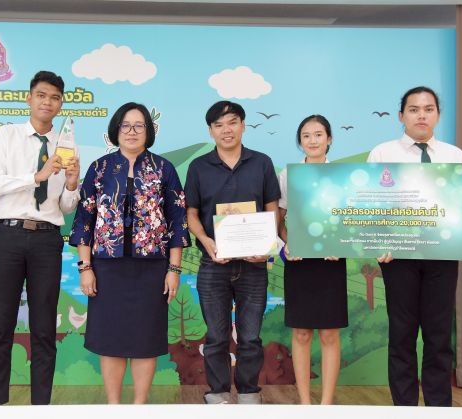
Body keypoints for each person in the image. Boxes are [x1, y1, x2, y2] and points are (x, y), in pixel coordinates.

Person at [367, 86, 462, 406]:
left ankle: (439, 408)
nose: (421, 115)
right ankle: (405, 408)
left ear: (438, 115)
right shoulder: (382, 154)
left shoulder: (454, 156)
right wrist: (377, 243)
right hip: (397, 257)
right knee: (402, 335)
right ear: (401, 116)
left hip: (443, 256)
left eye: (428, 109)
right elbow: (369, 206)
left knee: (439, 336)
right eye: (414, 109)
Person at [69, 102, 190, 404]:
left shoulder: (164, 169)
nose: (132, 131)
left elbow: (177, 221)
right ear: (116, 130)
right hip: (106, 269)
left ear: (149, 131)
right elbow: (84, 220)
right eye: (125, 125)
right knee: (110, 338)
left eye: (139, 125)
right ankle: (114, 405)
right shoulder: (100, 168)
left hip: (152, 269)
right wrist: (85, 267)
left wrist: (174, 270)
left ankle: (139, 405)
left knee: (145, 339)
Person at [0, 70, 80, 405]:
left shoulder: (66, 145)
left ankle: (41, 406)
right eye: (41, 95)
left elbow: (65, 207)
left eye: (54, 97)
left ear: (60, 104)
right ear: (29, 98)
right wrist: (36, 176)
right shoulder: (6, 134)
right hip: (7, 236)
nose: (47, 102)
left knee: (43, 328)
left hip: (47, 240)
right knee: (0, 325)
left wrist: (72, 184)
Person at [184, 101, 280, 404]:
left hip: (254, 266)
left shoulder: (262, 163)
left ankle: (249, 392)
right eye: (219, 125)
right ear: (211, 130)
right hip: (214, 264)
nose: (226, 130)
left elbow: (272, 208)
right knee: (216, 336)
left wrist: (267, 247)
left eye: (232, 122)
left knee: (250, 337)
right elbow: (191, 214)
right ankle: (218, 392)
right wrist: (206, 241)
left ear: (243, 125)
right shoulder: (199, 167)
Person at [278, 115, 347, 405]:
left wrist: (341, 244)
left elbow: (351, 219)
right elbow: (279, 219)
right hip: (299, 262)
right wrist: (287, 244)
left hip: (332, 261)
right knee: (302, 332)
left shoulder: (342, 176)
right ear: (300, 141)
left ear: (329, 139)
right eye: (306, 136)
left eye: (319, 134)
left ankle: (326, 404)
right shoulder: (288, 175)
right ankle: (305, 403)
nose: (313, 140)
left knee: (330, 333)